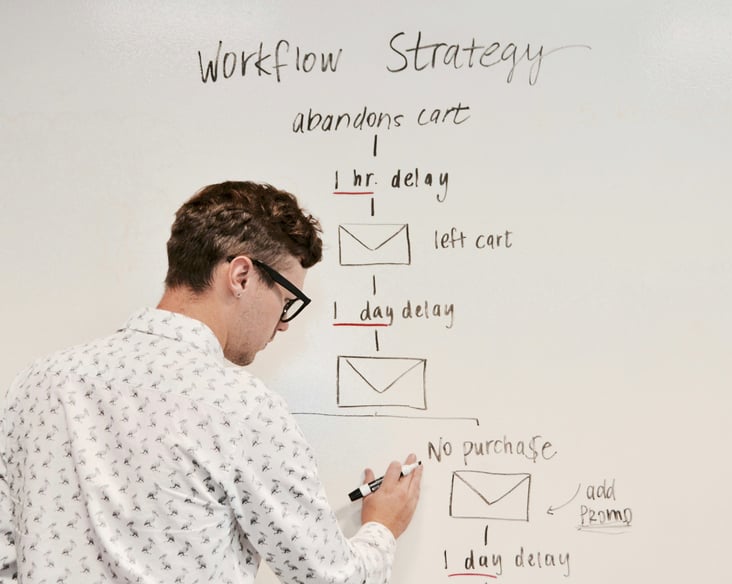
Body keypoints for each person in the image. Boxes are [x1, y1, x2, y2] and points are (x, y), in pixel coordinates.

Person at [0, 181, 422, 583]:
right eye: (287, 302)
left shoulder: (38, 383)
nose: (283, 325)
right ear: (241, 275)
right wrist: (383, 527)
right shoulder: (243, 408)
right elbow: (330, 578)